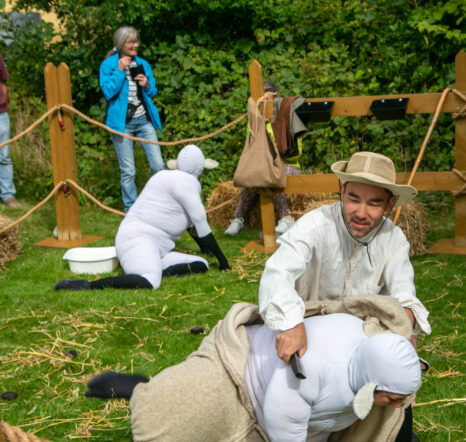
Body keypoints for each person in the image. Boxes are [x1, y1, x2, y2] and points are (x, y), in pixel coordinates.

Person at [84, 296, 422, 442]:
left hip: (272, 438)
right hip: (237, 377)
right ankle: (143, 387)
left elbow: (402, 404)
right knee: (154, 432)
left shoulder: (382, 358)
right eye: (390, 397)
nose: (397, 405)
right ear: (370, 384)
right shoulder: (307, 375)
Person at [258, 150, 431, 442]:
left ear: (390, 204)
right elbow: (277, 273)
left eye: (374, 203)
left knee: (394, 362)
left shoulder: (394, 240)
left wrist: (407, 335)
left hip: (358, 339)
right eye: (353, 198)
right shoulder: (314, 225)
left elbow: (404, 295)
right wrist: (291, 323)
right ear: (341, 191)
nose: (361, 212)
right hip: (306, 332)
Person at [54, 144, 229, 291]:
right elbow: (201, 225)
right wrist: (224, 263)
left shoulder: (166, 175)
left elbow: (193, 228)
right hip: (137, 240)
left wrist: (206, 251)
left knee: (202, 264)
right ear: (200, 170)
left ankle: (156, 268)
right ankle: (88, 285)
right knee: (151, 281)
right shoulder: (188, 184)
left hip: (158, 249)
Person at [225, 80, 306, 236]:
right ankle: (238, 219)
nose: (263, 104)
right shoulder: (257, 123)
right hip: (266, 166)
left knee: (271, 173)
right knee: (253, 176)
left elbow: (297, 152)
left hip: (288, 165)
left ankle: (287, 218)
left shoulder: (287, 118)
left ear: (277, 97)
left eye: (266, 100)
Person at [99, 26, 165, 211]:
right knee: (128, 171)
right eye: (131, 42)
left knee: (158, 165)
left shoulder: (142, 63)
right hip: (122, 125)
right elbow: (108, 92)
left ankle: (157, 203)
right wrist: (120, 69)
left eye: (137, 41)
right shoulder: (109, 65)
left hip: (143, 121)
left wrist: (146, 85)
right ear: (121, 44)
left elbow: (152, 92)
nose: (136, 45)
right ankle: (131, 209)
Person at [0, 51, 19, 209]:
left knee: (4, 155)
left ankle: (8, 194)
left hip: (0, 113)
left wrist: (4, 104)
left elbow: (3, 80)